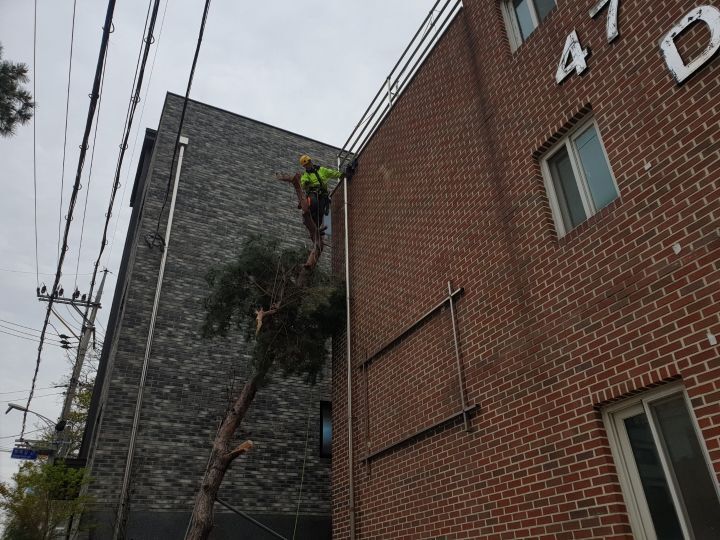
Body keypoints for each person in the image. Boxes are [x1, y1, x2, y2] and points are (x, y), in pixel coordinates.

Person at [299, 154, 342, 230]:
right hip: (313, 193)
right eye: (305, 166)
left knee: (321, 211)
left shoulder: (321, 170)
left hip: (323, 194)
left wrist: (341, 175)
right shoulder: (306, 175)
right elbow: (303, 183)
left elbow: (332, 173)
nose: (307, 166)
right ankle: (309, 220)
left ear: (310, 162)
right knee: (314, 203)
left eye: (308, 164)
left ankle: (316, 228)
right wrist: (305, 183)